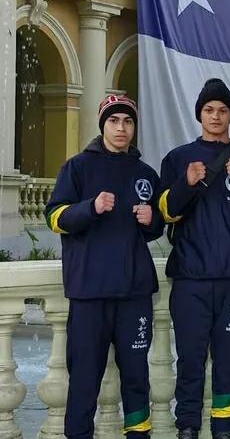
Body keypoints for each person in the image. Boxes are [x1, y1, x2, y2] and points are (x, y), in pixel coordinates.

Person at [159, 78, 230, 439]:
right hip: (191, 278)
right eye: (209, 110)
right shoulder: (178, 158)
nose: (215, 116)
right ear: (200, 115)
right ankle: (188, 427)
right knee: (190, 360)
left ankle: (223, 428)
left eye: (222, 110)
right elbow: (165, 213)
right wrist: (186, 183)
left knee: (228, 361)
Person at [45, 94, 164, 439]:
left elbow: (156, 227)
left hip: (134, 294)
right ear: (103, 126)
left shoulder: (145, 173)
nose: (121, 128)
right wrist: (90, 208)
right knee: (84, 378)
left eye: (127, 122)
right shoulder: (77, 167)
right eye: (114, 121)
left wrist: (151, 218)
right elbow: (54, 217)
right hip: (89, 294)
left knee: (137, 378)